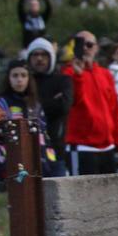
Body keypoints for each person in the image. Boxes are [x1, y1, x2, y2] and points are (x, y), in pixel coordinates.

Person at [62, 31, 118, 175]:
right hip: (82, 147)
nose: (86, 48)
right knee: (81, 195)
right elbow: (73, 102)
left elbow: (115, 111)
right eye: (81, 44)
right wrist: (78, 76)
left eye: (90, 44)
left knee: (109, 195)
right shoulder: (67, 72)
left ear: (96, 48)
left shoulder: (105, 74)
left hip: (107, 147)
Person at [0, 60, 56, 175]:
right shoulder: (0, 104)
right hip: (14, 169)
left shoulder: (35, 104)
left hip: (40, 166)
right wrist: (5, 165)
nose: (19, 79)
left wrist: (49, 162)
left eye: (23, 75)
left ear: (29, 79)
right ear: (8, 78)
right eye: (15, 75)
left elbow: (44, 135)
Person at [26, 37, 72, 177]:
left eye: (44, 54)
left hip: (55, 148)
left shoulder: (62, 80)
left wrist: (36, 107)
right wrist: (52, 102)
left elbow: (64, 106)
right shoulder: (25, 82)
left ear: (51, 57)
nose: (39, 58)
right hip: (28, 151)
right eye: (35, 54)